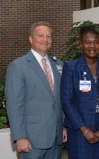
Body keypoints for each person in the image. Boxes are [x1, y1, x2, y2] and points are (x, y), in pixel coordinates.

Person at [6, 21, 67, 159]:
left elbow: (61, 100)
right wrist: (20, 136)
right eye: (40, 35)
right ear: (31, 39)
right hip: (31, 139)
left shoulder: (59, 64)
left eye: (49, 36)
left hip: (56, 138)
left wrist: (64, 127)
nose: (45, 39)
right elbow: (15, 105)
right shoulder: (18, 66)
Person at [61, 27, 99, 159]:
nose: (92, 46)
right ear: (81, 45)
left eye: (96, 42)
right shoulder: (71, 68)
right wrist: (84, 129)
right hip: (79, 133)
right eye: (88, 42)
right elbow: (66, 101)